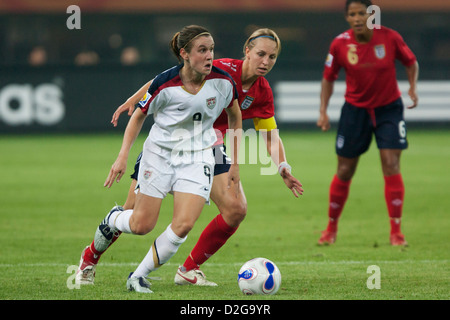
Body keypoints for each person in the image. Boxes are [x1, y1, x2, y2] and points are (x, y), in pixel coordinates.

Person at [76, 28, 303, 289]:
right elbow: (166, 79)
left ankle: (188, 269)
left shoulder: (262, 91)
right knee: (135, 218)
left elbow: (269, 134)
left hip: (208, 146)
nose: (266, 62)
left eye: (272, 57)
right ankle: (91, 256)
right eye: (261, 54)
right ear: (247, 52)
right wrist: (134, 100)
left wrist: (282, 165)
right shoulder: (220, 68)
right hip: (170, 143)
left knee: (235, 209)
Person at [316, 0, 419, 246]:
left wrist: (413, 87)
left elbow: (411, 62)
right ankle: (330, 229)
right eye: (353, 14)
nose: (358, 18)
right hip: (355, 112)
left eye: (362, 13)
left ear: (371, 15)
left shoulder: (390, 38)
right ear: (347, 18)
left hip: (389, 110)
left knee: (391, 163)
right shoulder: (339, 43)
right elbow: (328, 79)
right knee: (344, 169)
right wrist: (323, 111)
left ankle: (396, 232)